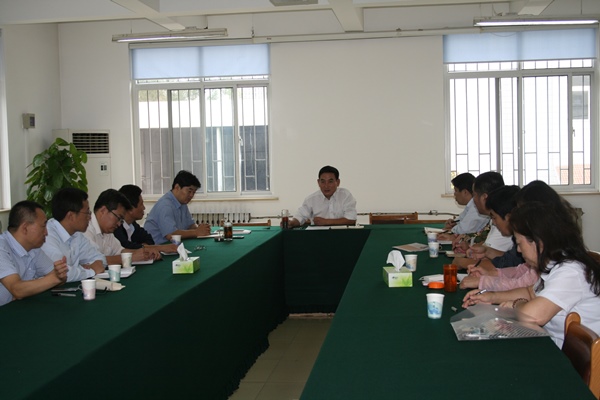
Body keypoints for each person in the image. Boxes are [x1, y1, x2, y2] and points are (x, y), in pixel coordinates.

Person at [462, 202, 600, 348]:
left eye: (519, 243)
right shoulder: (553, 264)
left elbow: (534, 316)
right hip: (555, 345)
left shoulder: (571, 272)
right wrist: (491, 296)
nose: (519, 250)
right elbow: (530, 292)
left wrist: (515, 304)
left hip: (572, 357)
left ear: (538, 242)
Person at [0, 201, 68, 306]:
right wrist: (54, 278)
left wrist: (59, 275)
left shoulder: (33, 248)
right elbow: (17, 290)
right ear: (25, 228)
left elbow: (57, 278)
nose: (46, 232)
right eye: (43, 226)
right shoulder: (2, 247)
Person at [41, 188, 106, 282]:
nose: (89, 217)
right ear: (71, 216)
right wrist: (90, 271)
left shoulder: (76, 234)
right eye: (87, 213)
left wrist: (86, 268)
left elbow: (100, 258)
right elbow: (62, 273)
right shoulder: (47, 235)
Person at [452, 171, 512, 268]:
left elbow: (495, 264)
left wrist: (460, 262)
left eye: (474, 195)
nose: (473, 200)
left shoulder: (502, 222)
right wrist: (471, 245)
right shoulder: (495, 217)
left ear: (484, 197)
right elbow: (489, 250)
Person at [84, 189, 159, 265]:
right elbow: (92, 260)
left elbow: (121, 251)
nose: (119, 224)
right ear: (103, 211)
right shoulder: (85, 229)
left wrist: (144, 252)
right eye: (118, 218)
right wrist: (131, 257)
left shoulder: (107, 231)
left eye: (121, 220)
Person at [144, 170, 211, 244]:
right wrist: (196, 232)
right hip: (157, 247)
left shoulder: (182, 203)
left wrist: (201, 228)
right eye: (189, 191)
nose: (191, 195)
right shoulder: (165, 205)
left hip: (172, 245)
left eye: (194, 192)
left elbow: (190, 225)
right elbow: (171, 235)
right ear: (177, 187)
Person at [285, 165, 357, 228]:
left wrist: (326, 222)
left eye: (330, 181)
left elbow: (351, 220)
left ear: (337, 182)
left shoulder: (345, 195)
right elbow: (300, 216)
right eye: (323, 181)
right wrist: (291, 223)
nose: (326, 186)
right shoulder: (311, 199)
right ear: (318, 182)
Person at [115, 185, 178, 253]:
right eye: (141, 204)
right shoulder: (116, 228)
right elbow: (126, 247)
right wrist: (159, 248)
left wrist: (143, 247)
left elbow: (149, 239)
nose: (144, 208)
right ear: (130, 209)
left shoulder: (132, 225)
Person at [439, 173, 489, 240]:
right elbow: (461, 219)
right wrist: (454, 223)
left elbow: (464, 229)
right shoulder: (470, 205)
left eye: (456, 191)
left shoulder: (476, 207)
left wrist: (451, 231)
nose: (454, 194)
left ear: (465, 192)